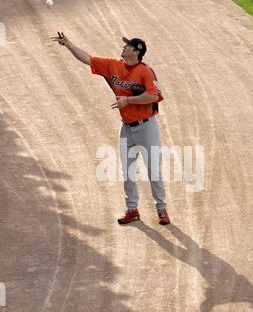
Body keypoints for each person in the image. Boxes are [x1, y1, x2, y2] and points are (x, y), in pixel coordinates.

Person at [51, 32, 170, 225]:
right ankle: (132, 210)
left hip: (147, 128)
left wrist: (128, 100)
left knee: (153, 170)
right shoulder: (113, 65)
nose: (123, 48)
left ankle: (161, 209)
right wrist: (69, 44)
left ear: (136, 52)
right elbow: (88, 59)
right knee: (128, 171)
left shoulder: (146, 71)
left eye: (127, 46)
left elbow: (154, 96)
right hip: (127, 129)